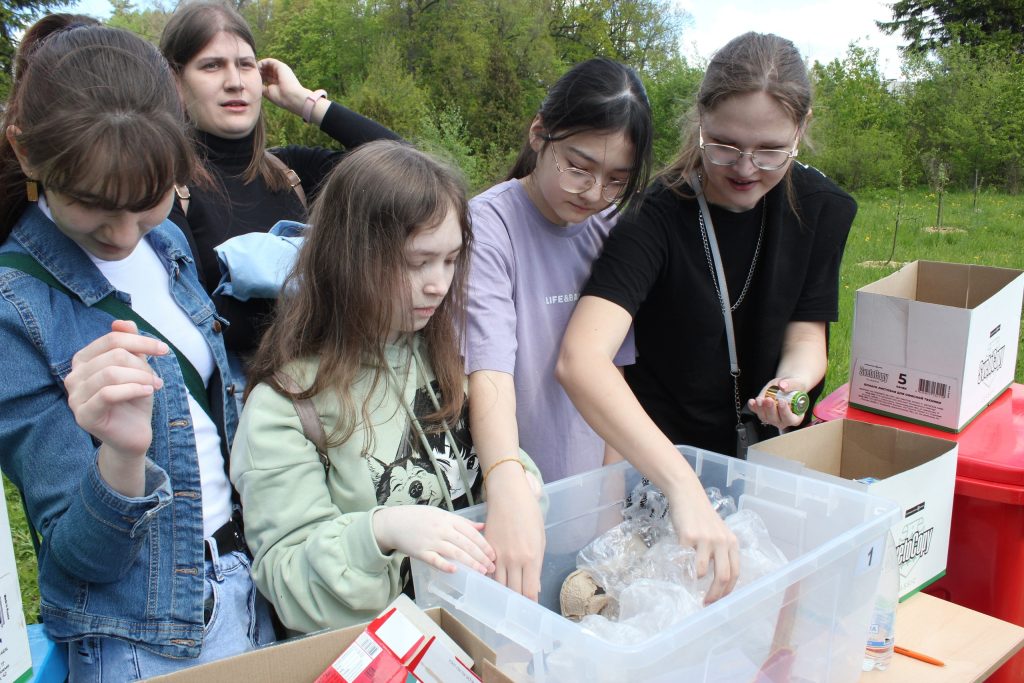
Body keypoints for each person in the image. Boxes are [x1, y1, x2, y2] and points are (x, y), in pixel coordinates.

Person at [0, 21, 273, 680]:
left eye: (145, 202)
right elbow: (78, 559)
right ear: (27, 153)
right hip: (147, 639)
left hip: (248, 584)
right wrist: (122, 452)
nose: (123, 235)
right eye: (93, 206)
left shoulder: (167, 244)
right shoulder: (15, 309)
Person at [557, 32, 858, 604]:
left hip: (766, 471)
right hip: (662, 479)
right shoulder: (654, 218)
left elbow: (807, 334)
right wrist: (680, 485)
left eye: (770, 150)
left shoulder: (822, 207)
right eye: (724, 145)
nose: (746, 168)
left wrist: (791, 384)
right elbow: (581, 358)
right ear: (700, 119)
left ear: (802, 128)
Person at [230, 140, 544, 634]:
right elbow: (288, 583)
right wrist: (382, 531)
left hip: (475, 642)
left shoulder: (448, 363)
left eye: (451, 260)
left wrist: (520, 485)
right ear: (349, 257)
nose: (439, 284)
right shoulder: (286, 407)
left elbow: (509, 476)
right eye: (417, 263)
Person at [462, 58, 652, 599]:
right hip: (512, 503)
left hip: (588, 499)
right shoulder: (488, 226)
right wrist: (506, 483)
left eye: (617, 179)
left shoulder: (609, 229)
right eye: (578, 166)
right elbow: (489, 368)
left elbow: (615, 372)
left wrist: (608, 512)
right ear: (540, 133)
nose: (593, 193)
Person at [159, 0, 401, 375]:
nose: (235, 81)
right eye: (211, 65)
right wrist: (338, 303)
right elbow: (215, 325)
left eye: (244, 65)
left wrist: (305, 102)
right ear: (176, 82)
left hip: (333, 397)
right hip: (243, 412)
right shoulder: (167, 192)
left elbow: (407, 172)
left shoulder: (293, 171)